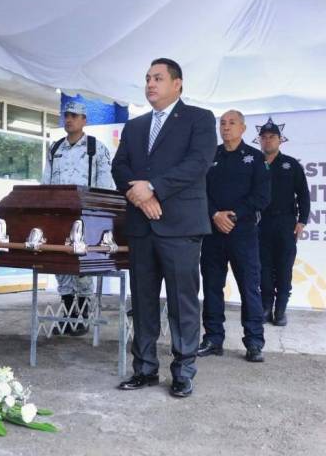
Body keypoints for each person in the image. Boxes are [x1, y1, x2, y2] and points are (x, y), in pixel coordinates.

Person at [112, 58, 217, 398]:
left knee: (181, 302)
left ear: (177, 84)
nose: (150, 84)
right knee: (143, 302)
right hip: (142, 226)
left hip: (181, 226)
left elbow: (198, 163)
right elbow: (119, 167)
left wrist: (154, 188)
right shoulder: (135, 126)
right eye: (147, 78)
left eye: (158, 78)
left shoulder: (199, 119)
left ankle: (183, 371)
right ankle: (144, 369)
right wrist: (141, 197)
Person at [197, 110, 270, 363]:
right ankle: (213, 338)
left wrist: (233, 216)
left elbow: (262, 197)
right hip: (213, 232)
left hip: (243, 234)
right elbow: (200, 191)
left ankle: (254, 342)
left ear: (243, 128)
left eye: (232, 123)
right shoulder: (210, 155)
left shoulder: (255, 158)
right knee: (211, 287)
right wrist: (215, 214)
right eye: (223, 123)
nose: (226, 127)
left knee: (249, 288)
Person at [42, 101, 114, 336]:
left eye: (74, 116)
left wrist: (100, 217)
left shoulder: (96, 148)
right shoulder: (55, 148)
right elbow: (46, 183)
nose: (69, 119)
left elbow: (105, 186)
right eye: (67, 115)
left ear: (84, 120)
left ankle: (82, 317)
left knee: (83, 267)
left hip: (87, 217)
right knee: (61, 265)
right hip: (60, 215)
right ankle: (68, 315)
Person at [256, 117, 310, 326]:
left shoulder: (291, 164)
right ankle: (266, 307)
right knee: (263, 268)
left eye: (272, 137)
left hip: (286, 223)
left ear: (280, 140)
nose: (268, 140)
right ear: (260, 140)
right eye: (264, 137)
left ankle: (280, 310)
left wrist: (302, 221)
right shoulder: (254, 163)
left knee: (284, 267)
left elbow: (303, 195)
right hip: (260, 223)